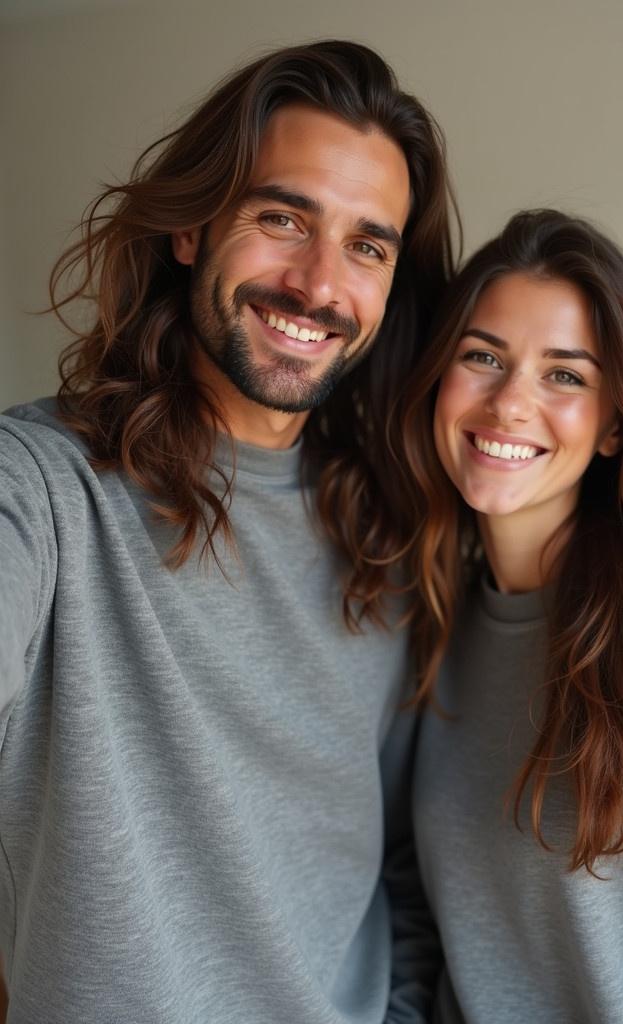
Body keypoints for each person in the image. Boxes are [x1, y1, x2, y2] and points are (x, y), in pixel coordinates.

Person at [0, 40, 457, 1023]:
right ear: (193, 228)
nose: (319, 284)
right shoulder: (39, 485)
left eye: (366, 245)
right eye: (283, 217)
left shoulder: (396, 532)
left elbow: (402, 860)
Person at [393, 209, 623, 1022]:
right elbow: (423, 927)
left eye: (564, 375)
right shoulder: (429, 630)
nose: (509, 404)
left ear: (614, 425)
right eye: (482, 356)